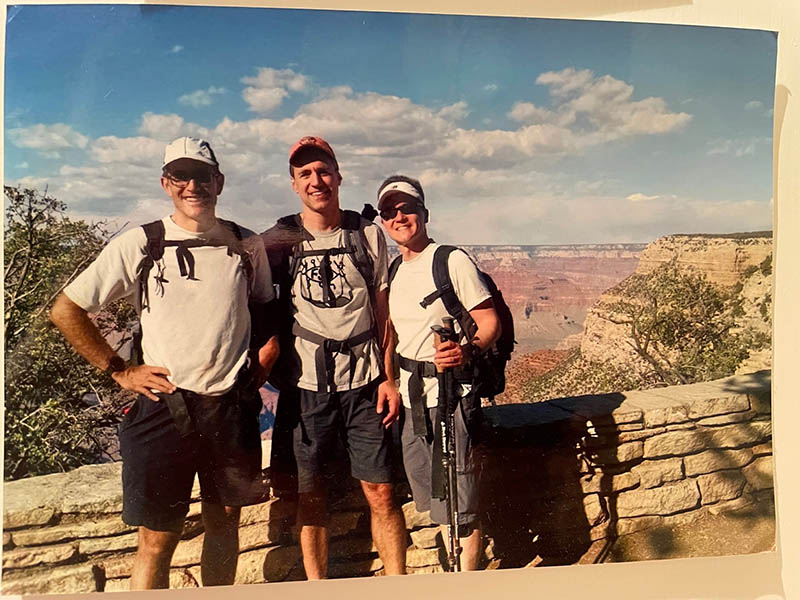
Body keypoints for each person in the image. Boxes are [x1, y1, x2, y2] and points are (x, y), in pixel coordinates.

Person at [50, 137, 279, 589]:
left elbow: (265, 308)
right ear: (165, 183)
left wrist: (266, 354)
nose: (192, 186)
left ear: (220, 182)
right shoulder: (142, 242)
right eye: (181, 176)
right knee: (157, 539)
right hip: (162, 408)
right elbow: (66, 309)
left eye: (202, 176)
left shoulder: (245, 244)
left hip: (228, 407)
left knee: (224, 524)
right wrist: (118, 369)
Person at [261, 136, 407, 579]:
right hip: (307, 388)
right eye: (304, 173)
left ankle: (399, 584)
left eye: (323, 170)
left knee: (381, 490)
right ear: (293, 184)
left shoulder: (367, 235)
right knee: (311, 496)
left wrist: (390, 378)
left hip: (365, 384)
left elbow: (383, 314)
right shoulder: (279, 241)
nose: (315, 180)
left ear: (338, 176)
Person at [377, 175, 500, 571]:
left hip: (452, 395)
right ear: (383, 221)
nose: (399, 216)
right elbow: (391, 336)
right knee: (433, 498)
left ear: (424, 213)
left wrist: (465, 351)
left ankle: (465, 584)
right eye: (389, 211)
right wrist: (392, 382)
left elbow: (489, 322)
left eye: (407, 208)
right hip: (415, 402)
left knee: (461, 501)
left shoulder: (451, 260)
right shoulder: (395, 269)